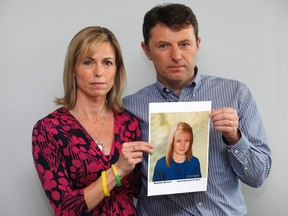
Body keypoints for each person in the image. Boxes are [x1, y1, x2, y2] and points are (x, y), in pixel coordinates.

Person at [123, 3, 272, 215]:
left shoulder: (236, 93)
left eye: (184, 44)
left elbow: (258, 176)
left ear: (198, 44)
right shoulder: (129, 108)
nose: (176, 56)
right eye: (163, 46)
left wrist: (234, 137)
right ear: (146, 50)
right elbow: (125, 186)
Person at [32, 26, 153, 216]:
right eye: (88, 62)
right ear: (73, 69)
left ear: (116, 70)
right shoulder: (49, 129)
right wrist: (117, 171)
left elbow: (141, 189)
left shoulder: (129, 123)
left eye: (107, 63)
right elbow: (65, 209)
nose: (99, 72)